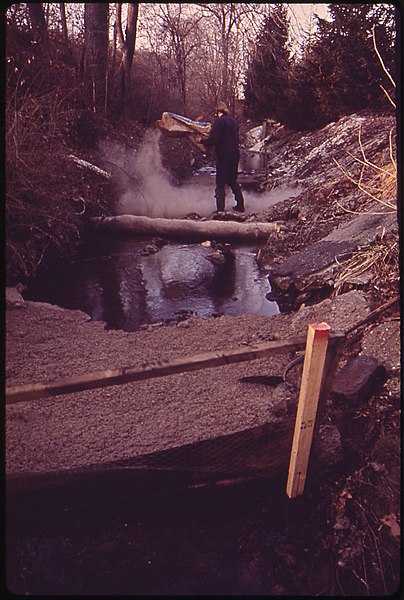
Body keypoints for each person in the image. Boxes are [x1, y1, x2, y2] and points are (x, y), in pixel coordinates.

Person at [196, 102, 245, 213]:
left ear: (218, 112)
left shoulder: (219, 122)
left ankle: (220, 209)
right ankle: (240, 205)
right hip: (235, 154)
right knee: (233, 180)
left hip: (224, 155)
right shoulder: (234, 121)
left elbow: (214, 140)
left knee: (220, 182)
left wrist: (202, 141)